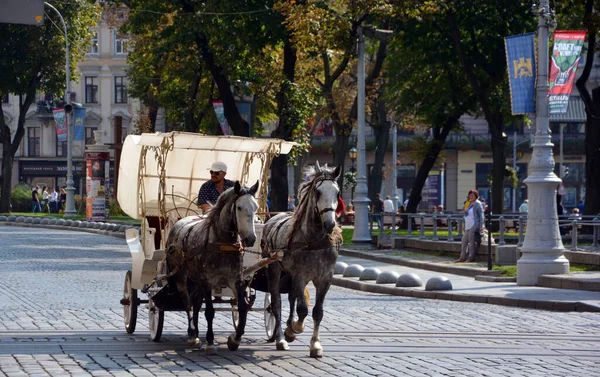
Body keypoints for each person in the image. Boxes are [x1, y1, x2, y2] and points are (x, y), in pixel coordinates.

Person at [456, 189, 484, 263]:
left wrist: (481, 225)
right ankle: (462, 257)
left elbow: (481, 215)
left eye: (472, 195)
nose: (471, 196)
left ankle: (471, 258)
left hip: (474, 224)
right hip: (468, 225)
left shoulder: (478, 203)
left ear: (476, 196)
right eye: (470, 195)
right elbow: (467, 213)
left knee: (471, 242)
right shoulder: (470, 203)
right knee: (464, 240)